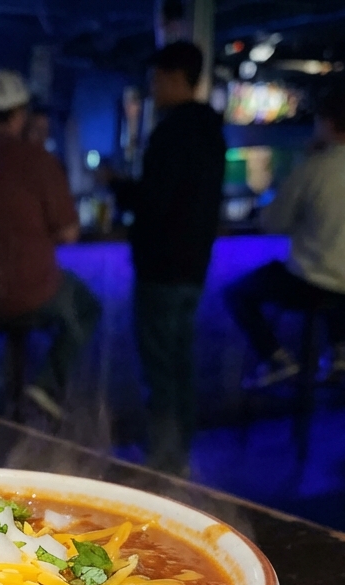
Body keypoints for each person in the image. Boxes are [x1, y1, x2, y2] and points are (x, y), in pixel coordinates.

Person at [0, 70, 100, 421]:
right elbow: (68, 232)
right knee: (85, 307)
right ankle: (45, 387)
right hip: (27, 294)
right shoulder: (36, 160)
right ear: (19, 115)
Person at [225, 84, 345, 388]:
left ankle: (277, 359)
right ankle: (339, 352)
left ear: (326, 122)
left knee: (237, 293)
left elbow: (273, 222)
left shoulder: (318, 167)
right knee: (338, 267)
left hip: (315, 285)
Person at [109, 41, 226, 476]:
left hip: (161, 268)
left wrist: (118, 185)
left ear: (177, 77)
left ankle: (163, 463)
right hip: (194, 268)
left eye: (157, 78)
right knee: (179, 363)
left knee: (160, 367)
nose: (154, 87)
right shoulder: (213, 133)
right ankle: (179, 455)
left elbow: (154, 203)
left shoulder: (172, 131)